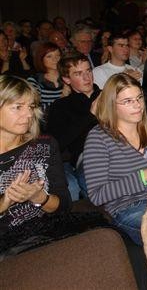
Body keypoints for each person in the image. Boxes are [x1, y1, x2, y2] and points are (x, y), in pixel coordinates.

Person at [0, 75, 103, 257]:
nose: (29, 114)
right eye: (18, 107)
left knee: (104, 240)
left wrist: (39, 197)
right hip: (8, 241)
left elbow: (63, 205)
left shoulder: (44, 145)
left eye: (31, 107)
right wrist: (5, 203)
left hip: (48, 228)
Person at [83, 73, 147, 245]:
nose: (138, 106)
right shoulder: (99, 137)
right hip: (129, 207)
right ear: (112, 105)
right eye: (128, 101)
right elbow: (97, 195)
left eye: (139, 98)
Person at [46, 54, 100, 201]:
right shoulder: (61, 106)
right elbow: (57, 143)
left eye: (88, 71)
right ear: (66, 79)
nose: (86, 77)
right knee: (99, 192)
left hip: (122, 151)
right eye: (78, 73)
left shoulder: (108, 96)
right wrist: (90, 115)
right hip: (89, 157)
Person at [27, 42, 64, 114]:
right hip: (46, 123)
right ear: (41, 59)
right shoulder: (35, 81)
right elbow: (36, 110)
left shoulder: (67, 77)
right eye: (49, 56)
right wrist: (61, 98)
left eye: (58, 55)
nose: (55, 59)